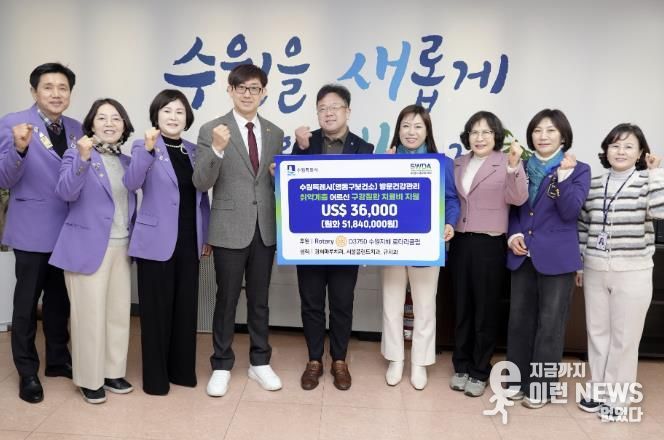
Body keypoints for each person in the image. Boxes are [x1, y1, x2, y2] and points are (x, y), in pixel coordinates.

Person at [193, 64, 284, 397]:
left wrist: (277, 176)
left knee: (260, 300)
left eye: (254, 88)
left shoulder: (275, 132)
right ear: (230, 90)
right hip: (229, 228)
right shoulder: (211, 129)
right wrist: (217, 149)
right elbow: (201, 181)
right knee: (226, 299)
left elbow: (274, 183)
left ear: (264, 92)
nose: (248, 94)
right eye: (241, 88)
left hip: (265, 228)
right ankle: (221, 364)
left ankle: (260, 362)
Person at [0, 62, 82, 403]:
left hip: (69, 230)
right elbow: (4, 178)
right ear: (34, 91)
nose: (56, 94)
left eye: (63, 88)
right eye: (48, 87)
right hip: (32, 229)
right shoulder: (14, 123)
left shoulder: (77, 128)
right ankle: (27, 371)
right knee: (26, 305)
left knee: (59, 301)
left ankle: (58, 360)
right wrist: (19, 149)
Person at [123, 89, 210, 395]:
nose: (173, 117)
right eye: (167, 111)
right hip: (155, 241)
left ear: (187, 118)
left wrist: (206, 235)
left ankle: (181, 371)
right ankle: (156, 378)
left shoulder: (194, 151)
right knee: (156, 312)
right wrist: (147, 150)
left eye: (179, 112)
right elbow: (131, 183)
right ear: (156, 115)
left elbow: (202, 198)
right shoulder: (143, 146)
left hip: (189, 240)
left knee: (185, 309)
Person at [49, 98, 136, 404]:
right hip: (86, 248)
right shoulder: (76, 154)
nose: (109, 123)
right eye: (102, 118)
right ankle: (89, 379)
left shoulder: (128, 162)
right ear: (91, 125)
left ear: (124, 126)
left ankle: (112, 372)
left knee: (117, 315)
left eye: (116, 118)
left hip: (122, 246)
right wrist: (83, 158)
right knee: (89, 317)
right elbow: (65, 192)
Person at [577, 123, 663, 421]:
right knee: (597, 333)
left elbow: (660, 211)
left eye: (628, 146)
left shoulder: (647, 181)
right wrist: (581, 262)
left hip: (633, 269)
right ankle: (598, 389)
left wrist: (656, 173)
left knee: (624, 338)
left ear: (641, 153)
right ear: (606, 150)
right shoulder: (594, 184)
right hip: (595, 267)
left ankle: (618, 397)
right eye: (615, 145)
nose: (621, 151)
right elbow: (583, 225)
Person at [506, 109, 590, 409]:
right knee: (519, 321)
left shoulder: (578, 170)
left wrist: (564, 178)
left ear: (563, 136)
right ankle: (516, 381)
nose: (543, 136)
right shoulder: (521, 166)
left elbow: (570, 211)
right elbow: (513, 207)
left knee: (551, 324)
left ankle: (541, 387)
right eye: (538, 130)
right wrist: (513, 235)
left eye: (551, 130)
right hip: (522, 254)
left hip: (557, 257)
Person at [292, 84, 374, 391]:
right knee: (311, 304)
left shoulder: (364, 148)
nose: (328, 113)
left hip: (346, 242)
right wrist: (299, 149)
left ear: (347, 111)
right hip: (309, 241)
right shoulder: (306, 142)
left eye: (335, 107)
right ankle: (314, 360)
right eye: (322, 108)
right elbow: (291, 187)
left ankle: (339, 360)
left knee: (342, 303)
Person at [449, 111, 528, 397]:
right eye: (474, 132)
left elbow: (518, 198)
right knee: (462, 307)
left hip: (489, 244)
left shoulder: (506, 162)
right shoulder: (458, 162)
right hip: (459, 241)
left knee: (485, 309)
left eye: (486, 132)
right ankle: (461, 364)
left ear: (496, 136)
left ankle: (480, 369)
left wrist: (514, 167)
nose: (479, 137)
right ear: (467, 136)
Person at [381, 104, 459, 390]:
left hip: (427, 243)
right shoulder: (386, 160)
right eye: (405, 126)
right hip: (391, 243)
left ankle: (419, 363)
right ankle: (395, 358)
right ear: (397, 130)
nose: (411, 132)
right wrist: (383, 168)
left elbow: (451, 199)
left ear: (427, 131)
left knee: (425, 305)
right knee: (391, 303)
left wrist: (449, 223)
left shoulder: (442, 163)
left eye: (417, 126)